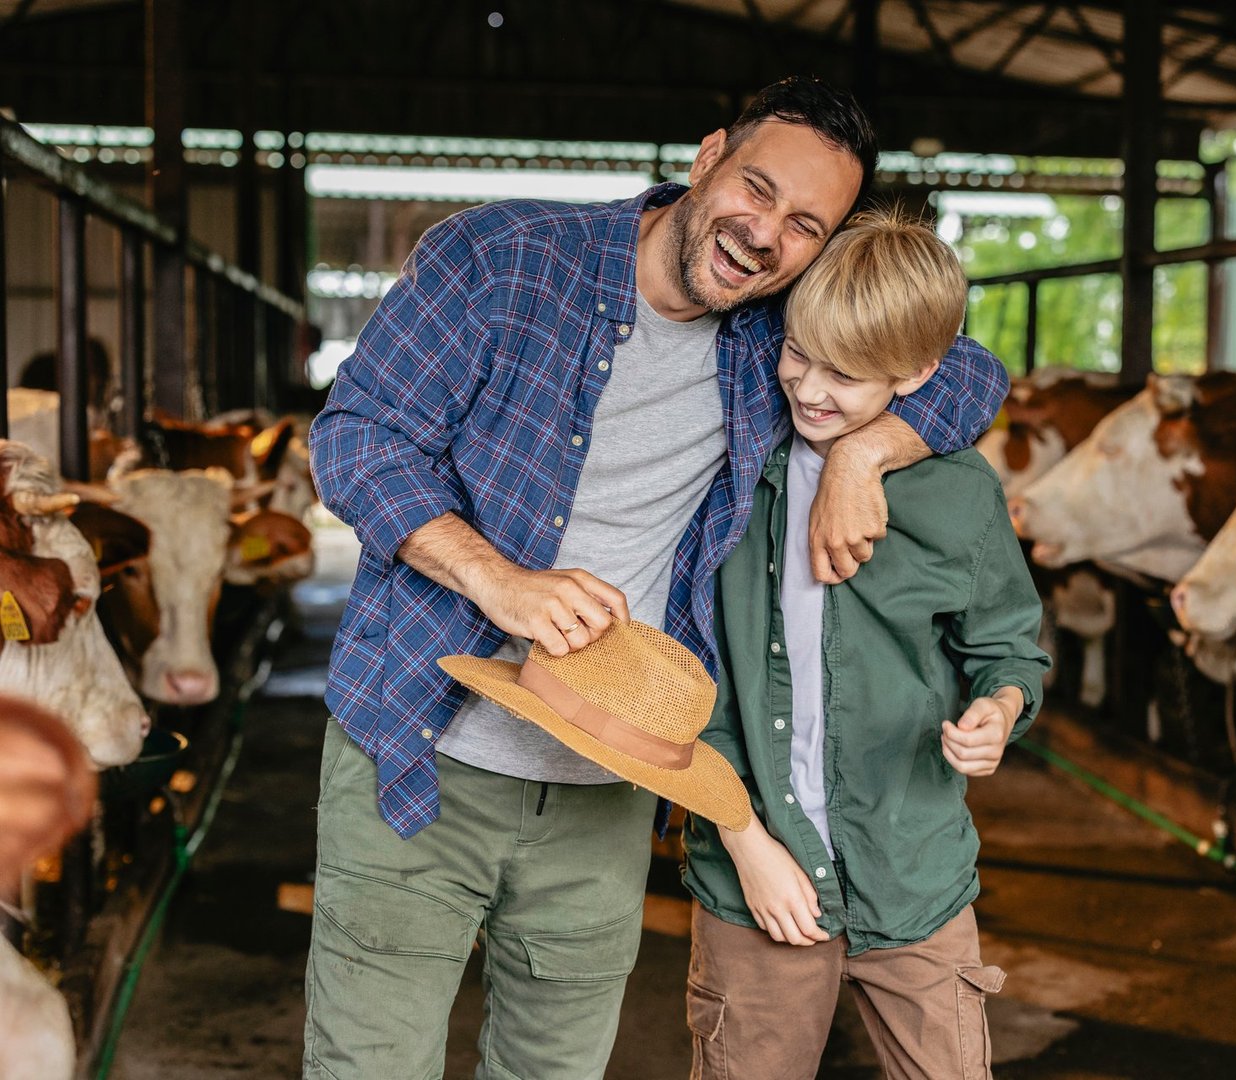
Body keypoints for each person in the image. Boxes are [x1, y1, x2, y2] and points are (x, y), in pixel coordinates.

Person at [302, 77, 1009, 1079]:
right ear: (707, 155)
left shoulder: (777, 335)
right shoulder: (500, 261)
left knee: (553, 1067)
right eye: (756, 189)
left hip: (609, 776)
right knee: (368, 1065)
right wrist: (500, 580)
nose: (765, 235)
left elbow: (966, 368)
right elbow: (358, 438)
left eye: (806, 225)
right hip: (420, 741)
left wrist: (864, 455)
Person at [681, 209, 1049, 1078]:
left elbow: (1009, 649)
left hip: (913, 872)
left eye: (847, 376)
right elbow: (688, 687)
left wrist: (1000, 709)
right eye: (798, 354)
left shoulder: (958, 494)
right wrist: (743, 843)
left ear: (922, 374)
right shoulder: (730, 477)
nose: (809, 389)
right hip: (754, 879)